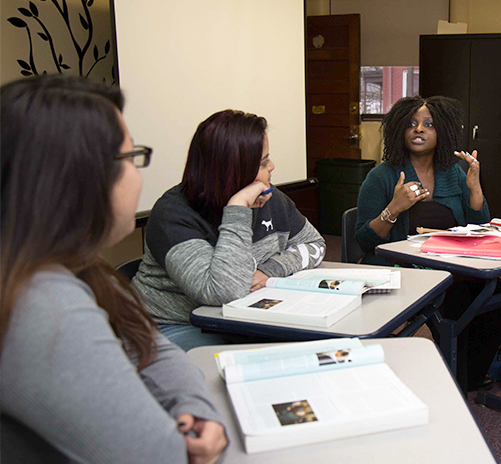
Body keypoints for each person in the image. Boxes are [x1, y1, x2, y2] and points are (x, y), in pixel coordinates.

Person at [0, 75, 227, 462]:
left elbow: (150, 345)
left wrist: (195, 406)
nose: (139, 177)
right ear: (80, 177)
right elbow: (162, 456)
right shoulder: (45, 306)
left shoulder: (74, 269)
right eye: (131, 157)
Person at [355, 95, 501, 391]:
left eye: (428, 125)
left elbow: (479, 225)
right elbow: (365, 241)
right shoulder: (381, 176)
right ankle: (458, 381)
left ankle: (464, 377)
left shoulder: (453, 172)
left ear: (440, 131)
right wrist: (394, 208)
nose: (419, 130)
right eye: (412, 124)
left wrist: (474, 187)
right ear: (399, 130)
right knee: (457, 303)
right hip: (407, 270)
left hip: (452, 265)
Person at [132, 110, 326, 350]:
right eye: (264, 162)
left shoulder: (271, 199)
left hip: (240, 318)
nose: (272, 166)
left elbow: (315, 245)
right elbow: (223, 291)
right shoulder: (173, 214)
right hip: (174, 325)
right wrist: (238, 208)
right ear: (234, 170)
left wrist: (271, 269)